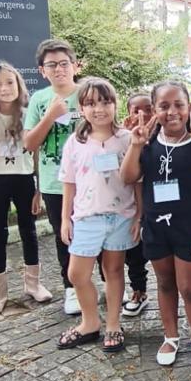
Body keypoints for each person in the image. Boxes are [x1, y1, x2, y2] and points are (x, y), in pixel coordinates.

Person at [121, 80, 191, 368]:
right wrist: (135, 145)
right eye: (163, 106)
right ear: (154, 111)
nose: (171, 112)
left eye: (178, 105)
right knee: (164, 282)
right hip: (156, 228)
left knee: (189, 286)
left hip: (189, 229)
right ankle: (171, 336)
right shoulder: (146, 146)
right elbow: (128, 177)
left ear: (189, 109)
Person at [56, 78, 136, 353]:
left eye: (105, 102)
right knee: (77, 274)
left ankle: (113, 323)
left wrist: (139, 216)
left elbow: (136, 180)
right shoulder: (75, 142)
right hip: (87, 217)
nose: (99, 109)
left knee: (113, 271)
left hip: (120, 215)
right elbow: (68, 181)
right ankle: (89, 322)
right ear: (81, 108)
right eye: (90, 103)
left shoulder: (126, 138)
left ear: (115, 105)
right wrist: (66, 218)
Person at [0, 60, 50, 314]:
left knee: (29, 231)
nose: (4, 88)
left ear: (18, 84)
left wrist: (38, 190)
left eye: (9, 82)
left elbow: (36, 155)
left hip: (24, 179)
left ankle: (33, 284)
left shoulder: (28, 116)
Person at [24, 39, 83, 315]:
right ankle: (71, 288)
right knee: (65, 237)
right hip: (54, 183)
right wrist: (50, 116)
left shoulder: (87, 94)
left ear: (75, 65)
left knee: (103, 233)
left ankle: (108, 283)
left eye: (63, 63)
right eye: (51, 65)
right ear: (42, 71)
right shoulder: (39, 99)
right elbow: (29, 144)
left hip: (90, 181)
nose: (59, 69)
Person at [122, 90, 152, 317]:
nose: (143, 115)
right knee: (134, 253)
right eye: (136, 110)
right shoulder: (125, 139)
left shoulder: (165, 136)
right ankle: (138, 291)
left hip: (156, 206)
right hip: (129, 206)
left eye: (148, 109)